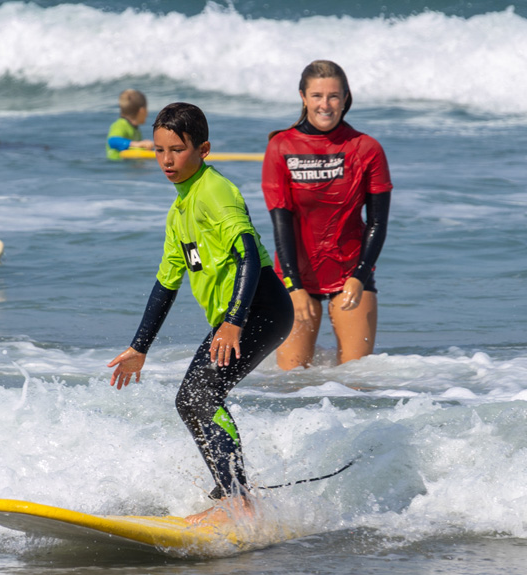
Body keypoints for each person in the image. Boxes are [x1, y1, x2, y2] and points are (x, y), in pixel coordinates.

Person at [107, 103, 293, 524]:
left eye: (177, 149)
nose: (166, 160)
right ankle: (236, 494)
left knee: (199, 396)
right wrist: (140, 347)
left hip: (258, 306)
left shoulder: (215, 191)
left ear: (203, 149)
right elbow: (166, 284)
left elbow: (247, 252)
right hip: (242, 313)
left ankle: (238, 502)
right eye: (158, 150)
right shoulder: (179, 210)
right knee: (195, 399)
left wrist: (234, 320)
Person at [262, 60, 392, 370]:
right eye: (317, 95)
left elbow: (377, 222)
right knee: (291, 382)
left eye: (334, 96)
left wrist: (360, 276)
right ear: (303, 97)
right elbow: (281, 223)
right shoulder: (281, 147)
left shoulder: (367, 148)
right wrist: (293, 286)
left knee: (358, 381)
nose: (326, 104)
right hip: (296, 277)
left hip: (350, 274)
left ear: (346, 98)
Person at [105, 89, 155, 160]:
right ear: (142, 111)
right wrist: (137, 144)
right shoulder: (120, 124)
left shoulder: (135, 128)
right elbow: (112, 141)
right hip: (116, 167)